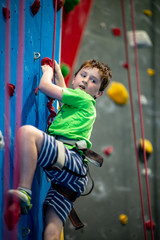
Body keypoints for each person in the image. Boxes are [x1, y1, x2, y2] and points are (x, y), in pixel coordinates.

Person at [7, 59, 112, 240]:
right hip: (72, 178)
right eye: (83, 75)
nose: (86, 81)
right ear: (74, 79)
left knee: (27, 134)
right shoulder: (79, 104)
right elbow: (64, 101)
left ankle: (24, 191)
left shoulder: (84, 98)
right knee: (52, 229)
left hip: (71, 162)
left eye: (93, 81)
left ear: (99, 93)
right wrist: (59, 74)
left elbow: (46, 87)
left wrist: (47, 72)